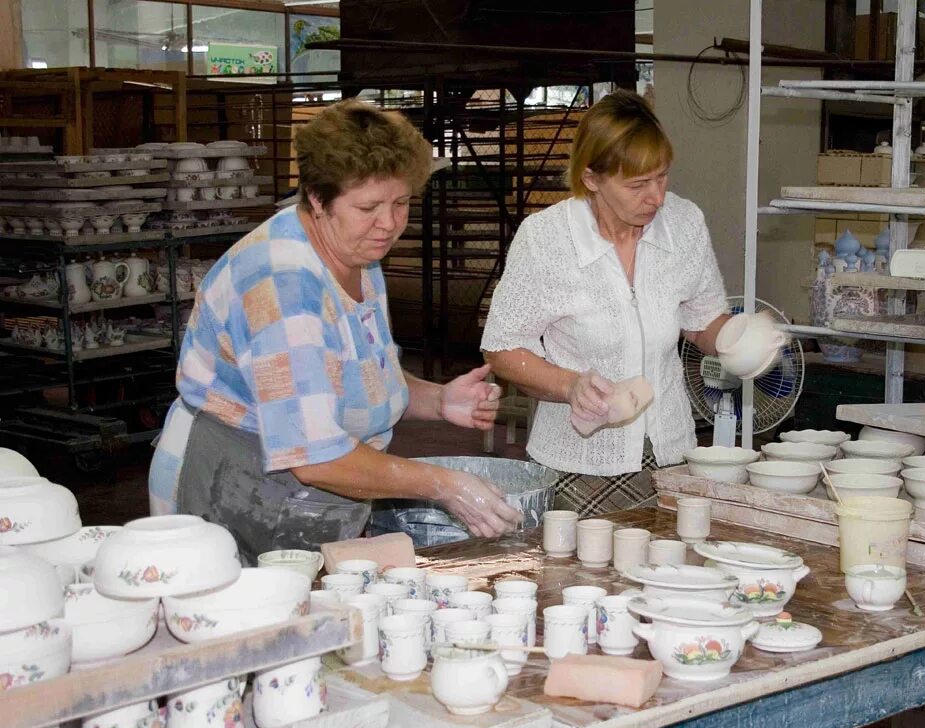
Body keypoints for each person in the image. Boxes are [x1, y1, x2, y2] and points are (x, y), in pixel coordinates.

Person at [149, 100, 523, 561]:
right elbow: (314, 456)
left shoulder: (355, 250)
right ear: (317, 199)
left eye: (401, 202)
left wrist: (436, 400)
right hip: (231, 487)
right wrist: (444, 485)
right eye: (368, 207)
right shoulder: (284, 286)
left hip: (297, 489)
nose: (389, 224)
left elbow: (342, 373)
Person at [481, 90, 730, 516]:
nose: (656, 197)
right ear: (591, 178)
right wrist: (570, 386)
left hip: (671, 453)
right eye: (637, 185)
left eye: (662, 177)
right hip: (578, 462)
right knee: (582, 577)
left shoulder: (684, 224)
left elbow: (701, 319)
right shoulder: (546, 238)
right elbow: (503, 348)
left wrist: (738, 340)